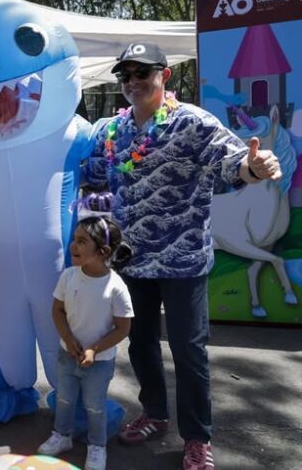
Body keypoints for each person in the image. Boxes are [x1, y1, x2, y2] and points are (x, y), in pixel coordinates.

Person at [83, 42, 282, 470]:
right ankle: (154, 413)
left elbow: (232, 163)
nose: (133, 82)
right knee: (139, 343)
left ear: (165, 76)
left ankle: (197, 438)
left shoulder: (190, 122)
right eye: (126, 76)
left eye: (143, 73)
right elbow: (89, 174)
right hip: (130, 261)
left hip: (183, 261)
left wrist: (255, 167)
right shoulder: (112, 132)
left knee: (189, 350)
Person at [38, 192, 134, 470]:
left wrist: (94, 350)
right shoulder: (68, 276)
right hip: (67, 356)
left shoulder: (116, 287)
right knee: (65, 399)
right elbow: (57, 311)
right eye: (74, 239)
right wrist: (68, 340)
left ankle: (97, 446)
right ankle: (62, 435)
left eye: (82, 242)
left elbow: (123, 328)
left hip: (99, 363)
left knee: (95, 406)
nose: (73, 246)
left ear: (103, 252)